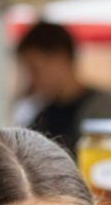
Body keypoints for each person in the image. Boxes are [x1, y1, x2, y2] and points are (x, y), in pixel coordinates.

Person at [14, 21, 93, 155]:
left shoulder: (103, 110)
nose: (33, 78)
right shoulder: (42, 116)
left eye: (35, 69)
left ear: (60, 58)